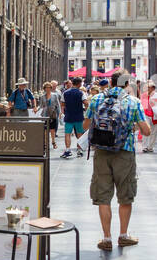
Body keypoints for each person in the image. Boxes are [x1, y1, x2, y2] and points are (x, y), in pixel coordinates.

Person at [84, 71, 151, 249]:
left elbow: (85, 125)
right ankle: (123, 235)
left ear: (112, 82)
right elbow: (147, 131)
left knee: (103, 196)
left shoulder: (97, 99)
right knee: (125, 195)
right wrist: (132, 126)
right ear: (126, 83)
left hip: (102, 152)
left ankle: (106, 239)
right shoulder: (133, 102)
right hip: (125, 151)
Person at [60, 75, 86, 157]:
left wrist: (64, 112)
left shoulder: (65, 93)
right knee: (79, 133)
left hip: (68, 116)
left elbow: (62, 104)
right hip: (79, 116)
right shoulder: (81, 93)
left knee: (67, 133)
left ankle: (68, 150)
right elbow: (86, 103)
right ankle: (79, 150)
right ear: (79, 84)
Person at [39, 81, 61, 148]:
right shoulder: (42, 97)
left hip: (52, 114)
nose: (47, 89)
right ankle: (45, 143)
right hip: (45, 114)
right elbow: (41, 105)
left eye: (49, 87)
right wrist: (37, 109)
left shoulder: (54, 95)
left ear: (51, 88)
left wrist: (59, 113)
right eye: (46, 87)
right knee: (45, 129)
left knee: (52, 129)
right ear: (44, 88)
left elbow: (58, 104)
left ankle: (53, 142)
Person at [142, 80, 157, 153]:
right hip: (146, 115)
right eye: (147, 87)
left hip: (155, 116)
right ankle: (145, 147)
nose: (148, 89)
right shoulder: (144, 95)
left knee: (154, 132)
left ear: (153, 88)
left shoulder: (156, 95)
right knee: (146, 130)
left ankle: (150, 147)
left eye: (149, 87)